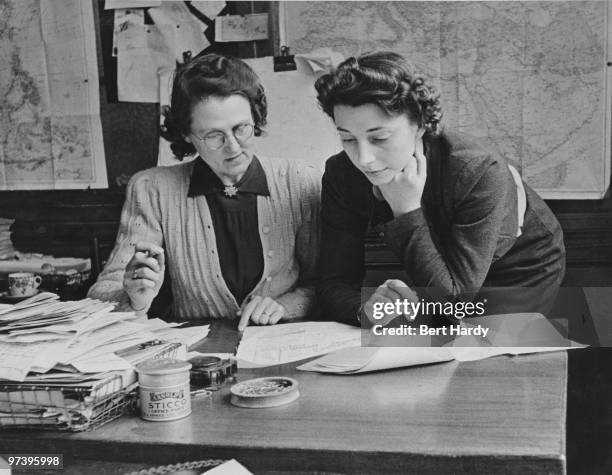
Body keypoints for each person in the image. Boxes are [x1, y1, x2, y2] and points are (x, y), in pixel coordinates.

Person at [314, 51, 565, 326]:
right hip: (441, 275)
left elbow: (454, 305)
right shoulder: (341, 173)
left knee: (483, 356)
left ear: (420, 125)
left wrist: (406, 209)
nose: (363, 159)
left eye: (380, 137)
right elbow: (333, 284)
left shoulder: (478, 170)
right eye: (347, 138)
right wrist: (365, 311)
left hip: (517, 270)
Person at [88, 53, 320, 328]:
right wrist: (134, 300)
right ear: (187, 134)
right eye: (213, 135)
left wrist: (285, 305)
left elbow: (329, 282)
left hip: (283, 344)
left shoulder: (300, 181)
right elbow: (101, 298)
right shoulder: (152, 190)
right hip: (198, 354)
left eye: (241, 128)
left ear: (255, 117)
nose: (233, 147)